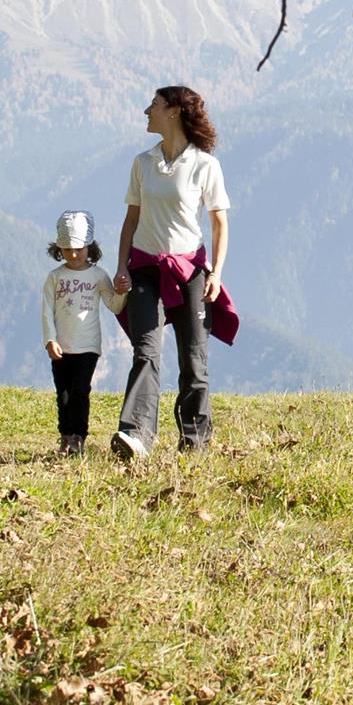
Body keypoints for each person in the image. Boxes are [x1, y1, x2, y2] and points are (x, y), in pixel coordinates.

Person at [110, 85, 231, 464]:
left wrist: (217, 272)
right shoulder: (142, 163)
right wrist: (121, 266)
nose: (147, 110)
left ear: (174, 111)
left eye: (155, 105)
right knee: (145, 351)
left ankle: (195, 440)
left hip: (191, 271)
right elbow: (131, 220)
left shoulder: (205, 165)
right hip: (146, 269)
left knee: (194, 357)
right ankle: (136, 435)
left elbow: (219, 223)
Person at [41, 209, 122, 456]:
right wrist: (50, 340)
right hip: (61, 347)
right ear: (59, 250)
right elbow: (47, 311)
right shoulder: (55, 278)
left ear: (90, 247)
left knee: (80, 391)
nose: (73, 254)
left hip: (88, 347)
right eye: (67, 249)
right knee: (63, 394)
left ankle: (78, 437)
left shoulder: (98, 276)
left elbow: (115, 304)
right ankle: (65, 437)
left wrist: (122, 290)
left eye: (78, 248)